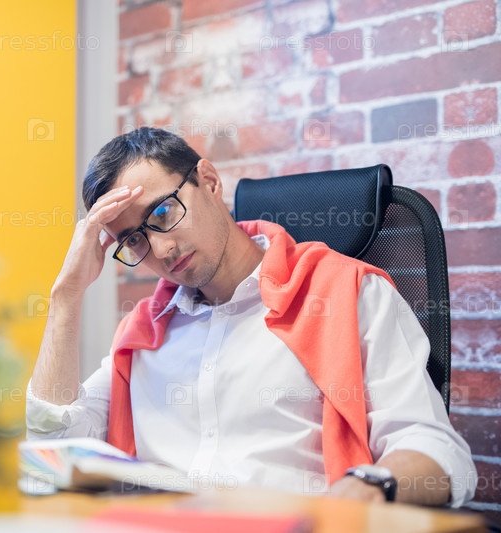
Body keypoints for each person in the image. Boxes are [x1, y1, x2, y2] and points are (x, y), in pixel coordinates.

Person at [26, 127, 476, 506]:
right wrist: (65, 297)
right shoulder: (142, 335)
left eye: (163, 212)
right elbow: (54, 447)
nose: (161, 249)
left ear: (208, 180)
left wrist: (368, 487)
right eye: (134, 240)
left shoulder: (347, 293)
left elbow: (439, 452)